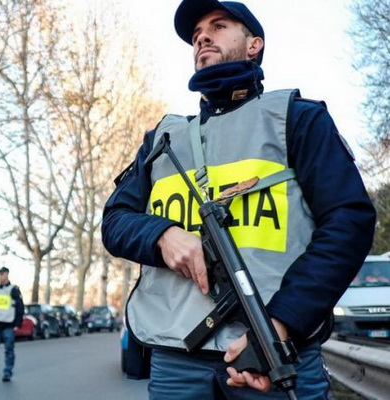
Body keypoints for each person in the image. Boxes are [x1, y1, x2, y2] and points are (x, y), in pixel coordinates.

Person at [101, 1, 376, 399]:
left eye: (219, 26)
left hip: (276, 352)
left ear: (253, 45)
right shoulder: (162, 139)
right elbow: (114, 221)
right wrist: (161, 235)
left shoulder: (297, 118)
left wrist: (282, 324)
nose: (202, 37)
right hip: (176, 361)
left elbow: (349, 223)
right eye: (196, 35)